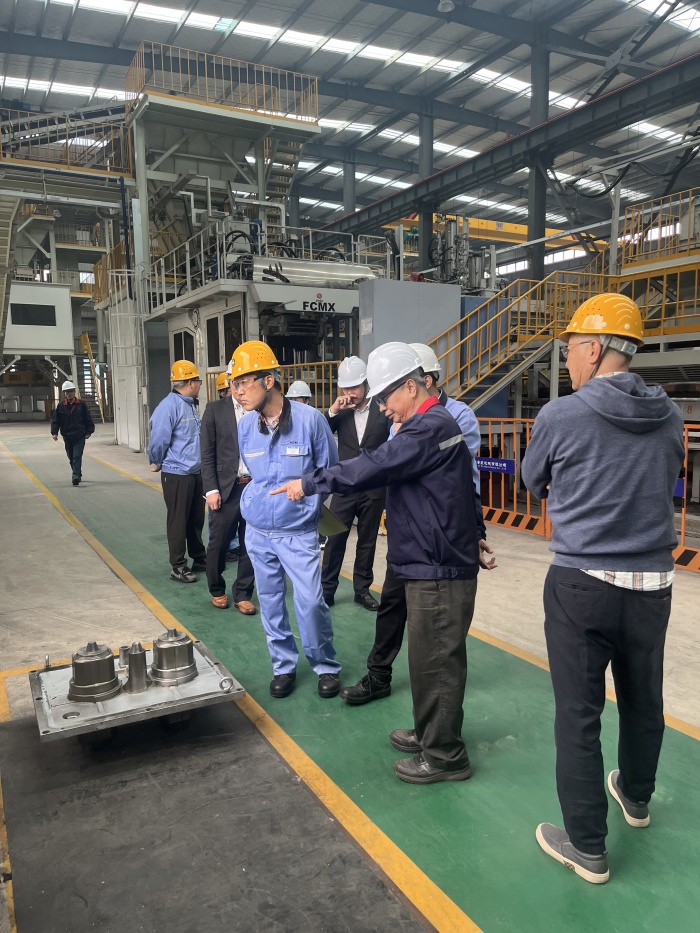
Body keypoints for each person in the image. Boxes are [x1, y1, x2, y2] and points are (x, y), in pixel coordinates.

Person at [521, 294, 685, 884]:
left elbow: (531, 479)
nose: (567, 360)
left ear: (593, 349)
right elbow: (666, 475)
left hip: (582, 584)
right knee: (644, 698)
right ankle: (636, 798)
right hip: (653, 583)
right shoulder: (670, 416)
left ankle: (588, 846)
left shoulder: (561, 415)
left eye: (570, 348)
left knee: (578, 714)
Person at [273, 342, 482, 785]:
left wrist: (310, 483)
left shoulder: (427, 428)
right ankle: (430, 732)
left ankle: (445, 756)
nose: (382, 407)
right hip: (426, 557)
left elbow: (373, 465)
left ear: (412, 387)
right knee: (425, 661)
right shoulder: (430, 424)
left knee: (437, 663)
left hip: (438, 565)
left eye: (386, 396)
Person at [340, 342, 495, 706]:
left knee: (435, 632)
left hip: (437, 541)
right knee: (391, 605)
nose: (384, 406)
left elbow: (467, 480)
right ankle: (379, 675)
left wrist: (475, 532)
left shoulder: (455, 417)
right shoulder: (403, 414)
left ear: (423, 381)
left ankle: (436, 721)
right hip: (407, 535)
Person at [231, 340, 342, 699]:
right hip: (258, 531)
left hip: (298, 532)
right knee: (271, 600)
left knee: (310, 601)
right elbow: (255, 476)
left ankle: (325, 664)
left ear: (268, 381)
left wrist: (309, 501)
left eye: (243, 383)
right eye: (233, 384)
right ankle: (283, 666)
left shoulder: (311, 421)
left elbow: (330, 472)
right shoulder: (246, 427)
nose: (236, 392)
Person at [322, 356, 390, 610]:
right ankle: (326, 590)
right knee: (334, 539)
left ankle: (362, 591)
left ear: (366, 384)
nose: (350, 393)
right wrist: (332, 410)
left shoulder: (383, 409)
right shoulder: (341, 411)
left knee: (367, 541)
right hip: (345, 487)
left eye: (354, 387)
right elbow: (321, 431)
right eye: (346, 388)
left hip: (373, 487)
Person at [200, 363, 256, 613]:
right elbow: (207, 453)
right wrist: (211, 490)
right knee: (219, 542)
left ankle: (243, 593)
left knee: (250, 543)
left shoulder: (256, 409)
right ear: (230, 382)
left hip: (253, 488)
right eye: (237, 381)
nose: (240, 386)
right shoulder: (214, 410)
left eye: (245, 381)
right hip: (226, 489)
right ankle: (216, 589)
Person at [148, 360, 207, 583]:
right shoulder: (168, 406)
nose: (199, 385)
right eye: (198, 381)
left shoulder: (189, 404)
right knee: (178, 521)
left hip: (194, 471)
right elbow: (159, 438)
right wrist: (156, 460)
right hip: (177, 473)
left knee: (195, 519)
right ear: (190, 382)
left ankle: (199, 557)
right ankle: (178, 566)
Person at [50, 380, 94, 486]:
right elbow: (55, 421)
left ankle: (75, 475)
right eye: (67, 392)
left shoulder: (81, 405)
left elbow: (88, 419)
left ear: (74, 392)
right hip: (67, 436)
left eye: (71, 391)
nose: (69, 394)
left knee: (77, 456)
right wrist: (54, 433)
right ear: (64, 393)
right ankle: (77, 472)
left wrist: (89, 431)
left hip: (79, 435)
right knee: (71, 456)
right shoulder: (61, 406)